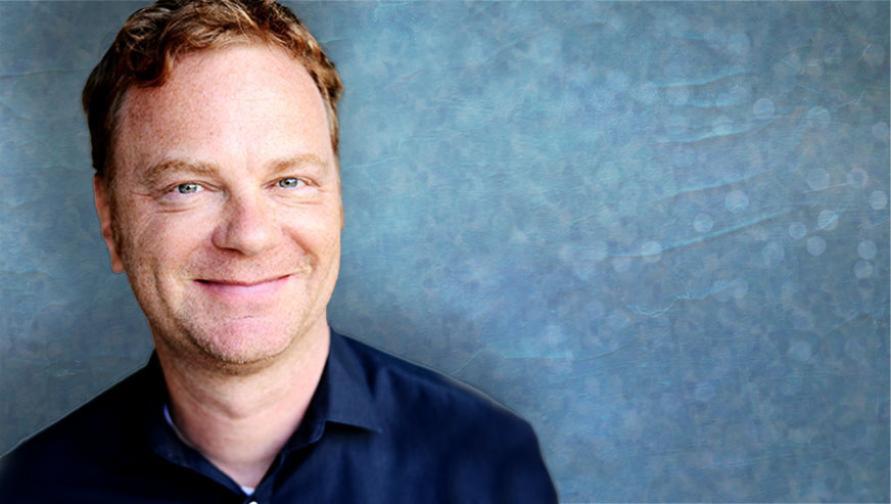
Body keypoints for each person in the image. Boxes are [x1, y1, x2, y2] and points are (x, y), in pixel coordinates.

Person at [0, 0, 557, 502]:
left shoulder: (484, 466)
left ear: (338, 200)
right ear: (109, 220)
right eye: (187, 187)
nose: (250, 235)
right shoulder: (27, 490)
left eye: (288, 181)